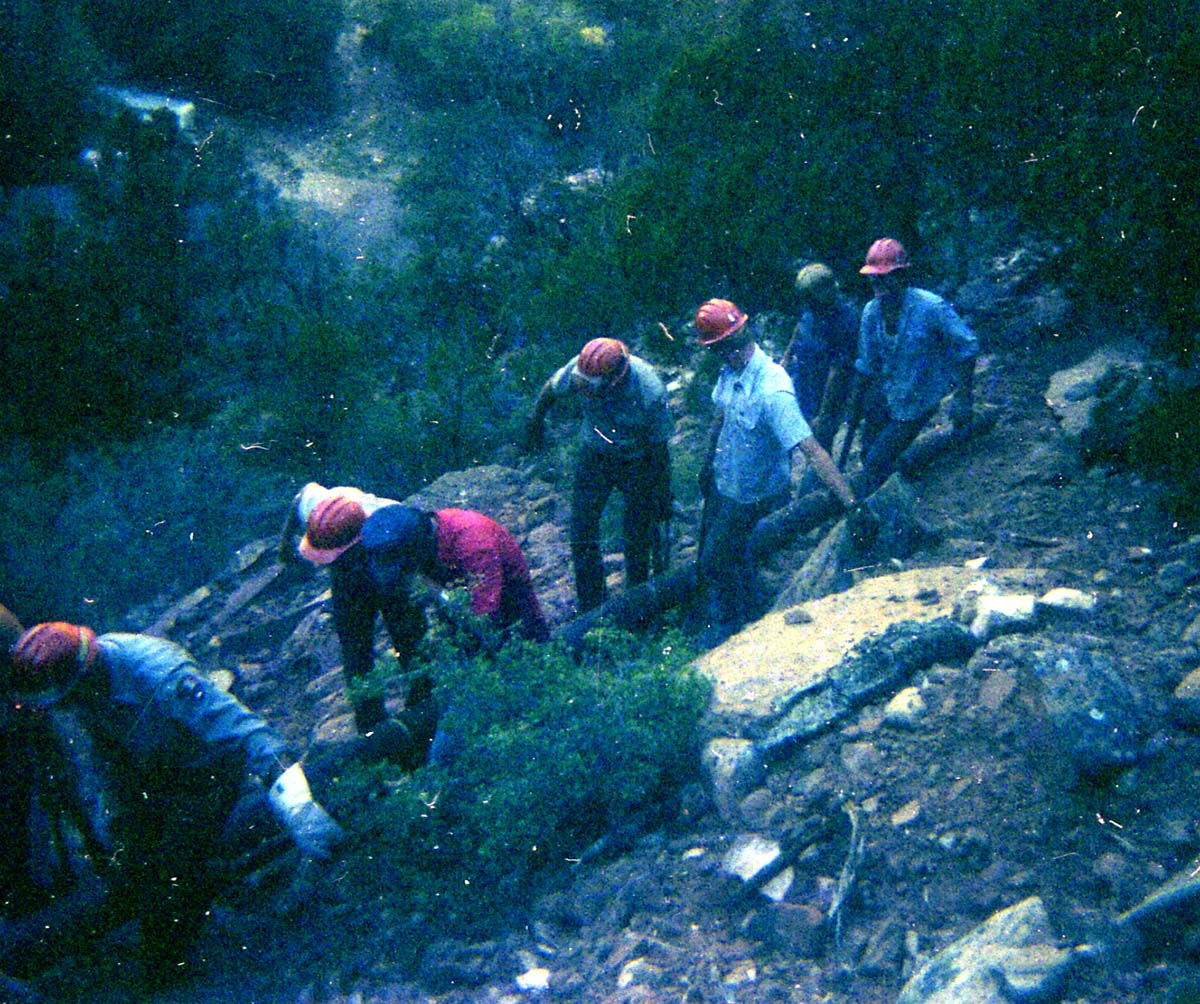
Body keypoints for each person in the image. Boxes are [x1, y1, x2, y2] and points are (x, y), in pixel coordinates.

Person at [4, 623, 344, 984]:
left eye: (67, 701)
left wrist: (297, 806)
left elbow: (247, 734)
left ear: (82, 680)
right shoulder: (91, 685)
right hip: (153, 773)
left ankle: (170, 961)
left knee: (173, 872)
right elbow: (110, 757)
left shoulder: (158, 673)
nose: (67, 711)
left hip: (205, 771)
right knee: (134, 871)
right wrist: (119, 826)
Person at [695, 298, 857, 643]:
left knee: (716, 560)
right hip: (727, 482)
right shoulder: (730, 372)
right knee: (732, 557)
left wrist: (849, 501)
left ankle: (731, 630)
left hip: (755, 494)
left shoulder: (772, 390)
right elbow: (720, 416)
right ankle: (745, 612)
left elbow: (811, 449)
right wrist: (707, 462)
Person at [525, 337, 673, 612]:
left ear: (614, 380)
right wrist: (535, 422)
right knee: (581, 529)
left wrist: (661, 492)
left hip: (638, 460)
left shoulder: (649, 390)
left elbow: (659, 448)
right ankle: (593, 607)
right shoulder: (582, 369)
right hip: (596, 454)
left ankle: (637, 602)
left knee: (637, 533)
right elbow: (551, 390)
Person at [279, 482, 423, 735]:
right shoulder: (316, 506)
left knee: (407, 633)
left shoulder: (390, 518)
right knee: (355, 646)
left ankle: (422, 699)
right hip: (348, 572)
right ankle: (371, 722)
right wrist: (285, 544)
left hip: (387, 561)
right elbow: (299, 498)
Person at [843, 238, 979, 495]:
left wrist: (963, 398)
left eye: (885, 278)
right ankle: (889, 478)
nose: (879, 285)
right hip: (889, 391)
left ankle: (882, 493)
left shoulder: (930, 307)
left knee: (876, 460)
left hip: (921, 394)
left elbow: (967, 348)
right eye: (874, 279)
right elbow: (866, 365)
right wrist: (855, 406)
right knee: (868, 451)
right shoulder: (871, 312)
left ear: (902, 276)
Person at [360, 504, 550, 648]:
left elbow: (484, 619)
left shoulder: (473, 543)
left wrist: (427, 586)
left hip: (511, 611)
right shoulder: (423, 537)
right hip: (462, 601)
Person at [777, 262, 860, 451]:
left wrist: (823, 414)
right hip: (805, 379)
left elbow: (837, 371)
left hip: (828, 392)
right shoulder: (812, 309)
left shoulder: (844, 320)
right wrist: (786, 358)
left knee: (820, 441)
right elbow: (801, 327)